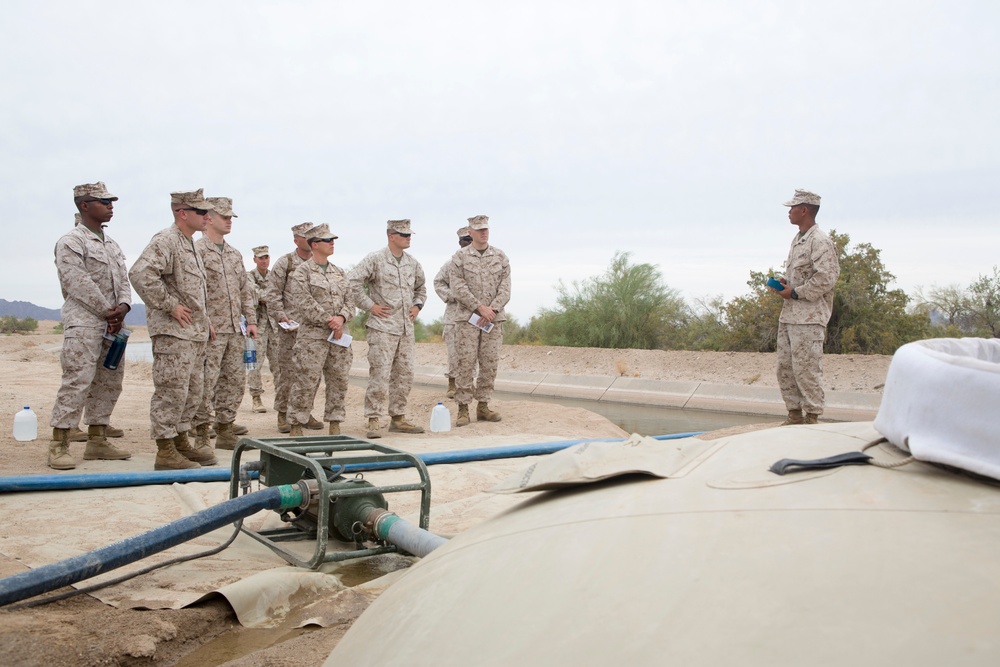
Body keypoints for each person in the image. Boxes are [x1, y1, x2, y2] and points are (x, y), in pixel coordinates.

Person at [129, 189, 218, 469]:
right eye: (201, 212)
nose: (208, 217)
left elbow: (192, 292)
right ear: (182, 213)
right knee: (171, 390)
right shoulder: (166, 240)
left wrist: (206, 323)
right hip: (173, 333)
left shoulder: (189, 243)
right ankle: (165, 450)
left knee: (192, 391)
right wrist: (169, 305)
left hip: (193, 334)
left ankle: (180, 441)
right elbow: (140, 273)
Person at [48, 182, 133, 470]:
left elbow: (123, 280)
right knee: (77, 381)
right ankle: (59, 443)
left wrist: (123, 307)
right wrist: (108, 311)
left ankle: (98, 439)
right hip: (84, 324)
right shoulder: (71, 242)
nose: (111, 206)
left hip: (113, 326)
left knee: (109, 382)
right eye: (103, 201)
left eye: (111, 201)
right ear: (84, 205)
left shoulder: (112, 244)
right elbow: (77, 282)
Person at [348, 219, 427, 438]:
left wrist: (417, 306)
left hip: (405, 330)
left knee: (404, 375)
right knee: (380, 375)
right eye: (403, 234)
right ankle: (374, 419)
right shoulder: (375, 259)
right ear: (390, 236)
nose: (408, 238)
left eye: (409, 234)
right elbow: (352, 283)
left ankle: (398, 417)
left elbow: (421, 288)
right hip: (382, 328)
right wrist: (370, 306)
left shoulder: (412, 263)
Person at [769, 189, 841, 425]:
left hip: (809, 318)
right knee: (785, 368)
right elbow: (803, 276)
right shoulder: (799, 239)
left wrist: (796, 293)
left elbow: (827, 277)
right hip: (790, 317)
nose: (789, 212)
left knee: (807, 368)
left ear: (805, 210)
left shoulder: (819, 241)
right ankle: (794, 414)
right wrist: (785, 285)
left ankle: (811, 417)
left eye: (792, 208)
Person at [193, 197, 257, 452]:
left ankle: (225, 428)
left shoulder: (233, 254)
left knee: (233, 380)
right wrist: (203, 321)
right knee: (206, 382)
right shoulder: (197, 250)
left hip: (234, 329)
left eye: (231, 217)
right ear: (208, 217)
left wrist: (251, 320)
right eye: (224, 216)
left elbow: (245, 290)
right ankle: (199, 434)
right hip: (211, 330)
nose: (229, 221)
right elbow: (194, 291)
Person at [286, 224, 354, 436]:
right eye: (327, 240)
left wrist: (341, 318)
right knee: (306, 380)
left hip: (339, 336)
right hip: (313, 337)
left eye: (333, 240)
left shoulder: (339, 272)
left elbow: (350, 300)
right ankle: (297, 424)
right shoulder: (302, 272)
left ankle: (335, 423)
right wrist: (329, 320)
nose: (332, 243)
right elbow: (303, 302)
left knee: (339, 380)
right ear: (314, 245)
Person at [450, 215, 511, 427]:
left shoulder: (500, 256)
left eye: (486, 229)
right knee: (465, 363)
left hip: (493, 319)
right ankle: (463, 408)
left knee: (490, 363)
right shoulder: (459, 257)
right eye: (479, 229)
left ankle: (483, 406)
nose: (483, 232)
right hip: (468, 319)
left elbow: (505, 287)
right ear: (470, 232)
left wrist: (492, 309)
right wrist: (479, 307)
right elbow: (458, 287)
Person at [265, 223, 323, 433]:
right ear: (296, 240)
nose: (308, 240)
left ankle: (303, 413)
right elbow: (272, 294)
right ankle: (283, 414)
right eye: (303, 236)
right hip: (291, 329)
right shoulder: (286, 263)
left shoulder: (319, 263)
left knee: (311, 374)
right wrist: (282, 317)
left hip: (315, 329)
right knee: (288, 373)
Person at [433, 226, 473, 399]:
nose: (469, 243)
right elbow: (438, 282)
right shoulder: (451, 264)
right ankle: (452, 383)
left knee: (472, 353)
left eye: (471, 240)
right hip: (454, 316)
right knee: (454, 352)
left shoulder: (483, 263)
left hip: (474, 316)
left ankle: (470, 385)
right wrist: (453, 296)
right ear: (460, 243)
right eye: (466, 240)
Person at [246, 245, 279, 413]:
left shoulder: (275, 276)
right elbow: (259, 295)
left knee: (279, 363)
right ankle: (256, 397)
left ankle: (281, 398)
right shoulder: (249, 277)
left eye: (266, 257)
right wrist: (273, 298)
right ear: (255, 260)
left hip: (275, 326)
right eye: (261, 258)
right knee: (254, 364)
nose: (264, 261)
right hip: (256, 326)